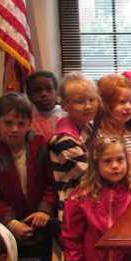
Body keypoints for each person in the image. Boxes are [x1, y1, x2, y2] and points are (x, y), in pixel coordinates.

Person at [0, 93, 57, 261]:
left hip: (40, 220)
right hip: (10, 225)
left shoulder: (40, 145)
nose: (14, 129)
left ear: (30, 123)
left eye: (21, 123)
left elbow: (52, 182)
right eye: (8, 123)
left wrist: (44, 209)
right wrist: (10, 221)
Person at [49, 72, 100, 219]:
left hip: (93, 200)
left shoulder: (87, 127)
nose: (88, 106)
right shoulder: (64, 139)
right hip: (74, 209)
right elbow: (90, 175)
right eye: (80, 101)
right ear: (64, 105)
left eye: (92, 99)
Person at [96, 74, 131, 184]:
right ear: (106, 104)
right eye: (122, 102)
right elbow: (125, 173)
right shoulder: (103, 138)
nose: (128, 107)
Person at [26, 70, 66, 142]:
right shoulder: (27, 118)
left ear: (56, 92)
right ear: (29, 95)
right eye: (38, 90)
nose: (44, 94)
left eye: (49, 89)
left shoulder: (66, 115)